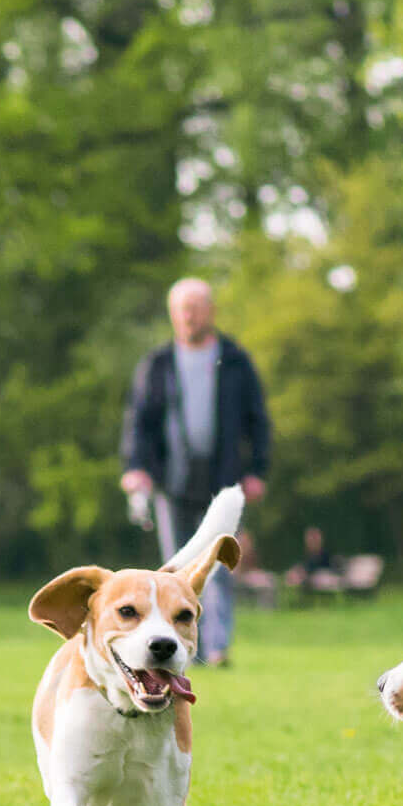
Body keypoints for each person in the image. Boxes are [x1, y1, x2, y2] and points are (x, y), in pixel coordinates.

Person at [121, 278, 271, 667]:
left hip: (223, 479)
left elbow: (258, 420)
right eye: (181, 309)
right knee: (175, 566)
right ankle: (183, 648)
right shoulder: (158, 364)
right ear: (173, 314)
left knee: (217, 565)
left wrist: (257, 470)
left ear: (210, 311)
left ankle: (217, 647)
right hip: (171, 480)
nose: (188, 315)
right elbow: (139, 420)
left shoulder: (235, 360)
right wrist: (136, 468)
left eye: (195, 307)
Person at [283, 526, 344, 594]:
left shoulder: (329, 556)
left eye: (315, 537)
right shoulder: (304, 557)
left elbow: (337, 572)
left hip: (326, 582)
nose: (313, 541)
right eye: (311, 538)